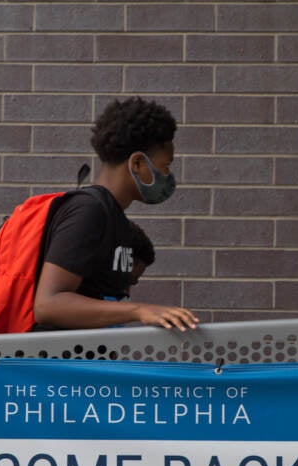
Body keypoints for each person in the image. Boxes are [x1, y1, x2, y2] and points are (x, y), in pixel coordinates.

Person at [34, 97, 199, 331]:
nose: (168, 175)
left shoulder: (114, 219)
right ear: (138, 164)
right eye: (166, 165)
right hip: (46, 364)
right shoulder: (89, 211)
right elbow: (48, 305)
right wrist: (140, 311)